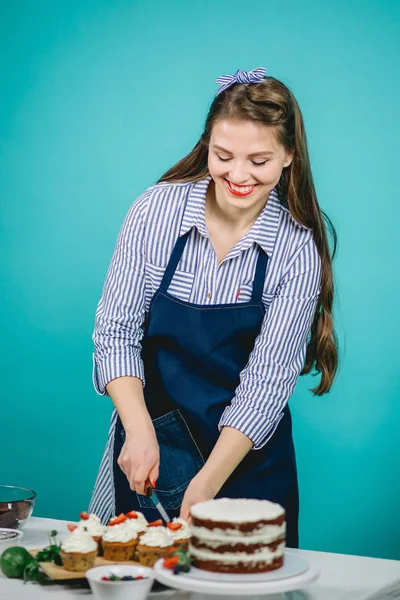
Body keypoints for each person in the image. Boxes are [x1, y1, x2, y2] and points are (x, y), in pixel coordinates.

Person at [89, 67, 338, 548]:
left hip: (245, 464)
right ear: (207, 145)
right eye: (223, 156)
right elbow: (115, 332)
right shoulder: (154, 212)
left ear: (288, 156)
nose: (239, 175)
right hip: (155, 450)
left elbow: (268, 381)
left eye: (259, 160)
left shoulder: (296, 248)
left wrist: (207, 483)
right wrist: (137, 431)